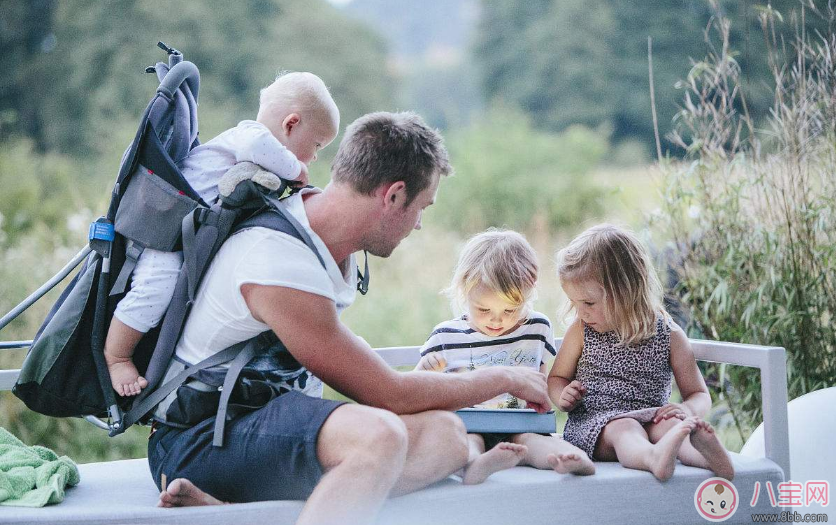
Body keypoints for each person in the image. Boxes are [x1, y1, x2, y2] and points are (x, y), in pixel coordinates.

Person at [150, 112, 552, 525]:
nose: (418, 225)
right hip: (202, 440)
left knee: (446, 437)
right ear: (393, 196)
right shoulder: (277, 260)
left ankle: (236, 511)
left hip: (267, 425)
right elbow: (388, 393)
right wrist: (504, 377)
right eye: (421, 208)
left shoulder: (320, 234)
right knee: (378, 436)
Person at [105, 72, 340, 396]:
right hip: (163, 235)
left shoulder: (253, 147)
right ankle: (117, 355)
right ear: (291, 124)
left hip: (184, 236)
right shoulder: (250, 136)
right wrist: (295, 168)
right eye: (316, 145)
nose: (314, 157)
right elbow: (259, 148)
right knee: (155, 288)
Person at [549, 224, 735, 481]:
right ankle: (652, 458)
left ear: (626, 292)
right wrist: (563, 396)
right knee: (625, 428)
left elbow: (699, 393)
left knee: (671, 426)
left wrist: (687, 411)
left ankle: (711, 460)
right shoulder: (581, 331)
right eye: (575, 303)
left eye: (588, 303)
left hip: (650, 418)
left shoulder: (668, 334)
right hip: (597, 425)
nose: (581, 312)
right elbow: (557, 378)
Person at [415, 229, 595, 484]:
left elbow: (539, 382)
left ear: (529, 290)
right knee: (468, 441)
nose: (497, 320)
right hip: (469, 423)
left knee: (531, 442)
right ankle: (475, 465)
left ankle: (568, 458)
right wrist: (426, 369)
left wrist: (542, 402)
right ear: (464, 290)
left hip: (518, 423)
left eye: (511, 309)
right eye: (484, 309)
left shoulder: (536, 328)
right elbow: (416, 389)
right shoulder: (447, 335)